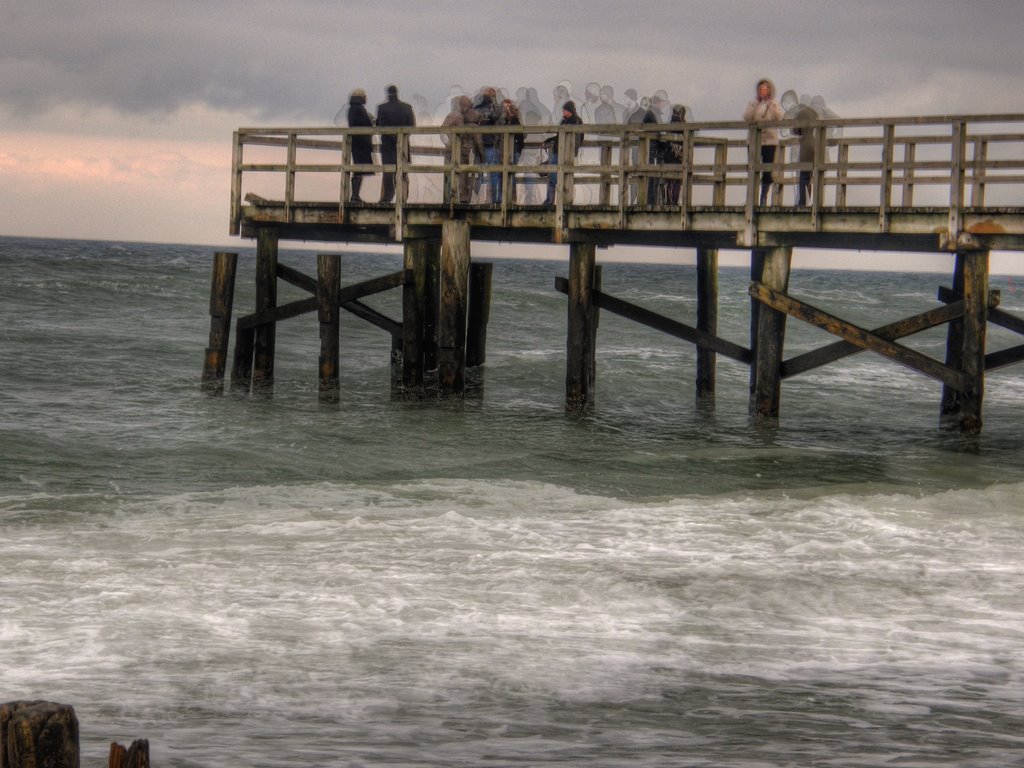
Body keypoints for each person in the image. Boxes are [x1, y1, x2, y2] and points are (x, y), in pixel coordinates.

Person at [743, 77, 785, 206]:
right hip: (754, 141)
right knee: (752, 169)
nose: (763, 91)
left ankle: (763, 198)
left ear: (770, 90)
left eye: (765, 89)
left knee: (767, 171)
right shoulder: (753, 103)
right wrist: (756, 103)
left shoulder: (774, 103)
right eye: (761, 89)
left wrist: (771, 104)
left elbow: (780, 117)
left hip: (769, 142)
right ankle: (751, 199)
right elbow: (747, 117)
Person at [376, 84, 416, 203]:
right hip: (403, 144)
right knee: (403, 171)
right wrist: (401, 137)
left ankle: (387, 197)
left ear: (387, 94)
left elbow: (380, 126)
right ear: (397, 93)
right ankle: (403, 197)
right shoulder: (407, 107)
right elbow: (412, 126)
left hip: (388, 145)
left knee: (388, 172)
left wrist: (392, 136)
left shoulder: (382, 108)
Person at [543, 100, 583, 206]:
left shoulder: (576, 121)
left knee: (553, 172)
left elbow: (579, 137)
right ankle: (550, 200)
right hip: (558, 150)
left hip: (567, 152)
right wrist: (548, 140)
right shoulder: (564, 121)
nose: (563, 112)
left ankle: (564, 189)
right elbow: (558, 136)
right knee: (552, 172)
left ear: (569, 110)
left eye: (564, 110)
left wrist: (574, 150)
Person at [440, 95, 479, 203]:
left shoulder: (457, 116)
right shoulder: (456, 116)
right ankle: (456, 200)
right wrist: (451, 144)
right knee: (458, 175)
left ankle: (455, 199)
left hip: (457, 152)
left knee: (456, 176)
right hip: (455, 152)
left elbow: (443, 132)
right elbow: (446, 131)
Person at [346, 88, 374, 203]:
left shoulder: (353, 108)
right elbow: (365, 124)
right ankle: (355, 195)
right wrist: (371, 121)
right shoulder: (358, 109)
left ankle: (355, 195)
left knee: (359, 168)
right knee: (359, 168)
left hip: (357, 142)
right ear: (361, 97)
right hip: (361, 142)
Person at [791, 102, 818, 206]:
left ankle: (802, 201)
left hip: (805, 144)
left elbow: (795, 130)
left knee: (804, 174)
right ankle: (808, 200)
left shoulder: (801, 113)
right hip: (814, 143)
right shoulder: (814, 113)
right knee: (810, 174)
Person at [499, 99, 525, 204]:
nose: (507, 109)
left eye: (508, 107)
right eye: (505, 107)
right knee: (502, 173)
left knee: (511, 173)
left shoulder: (515, 120)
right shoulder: (500, 120)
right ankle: (503, 197)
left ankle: (512, 198)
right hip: (503, 149)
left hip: (514, 148)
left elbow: (520, 134)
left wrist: (519, 148)